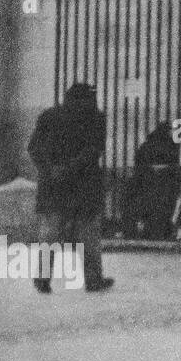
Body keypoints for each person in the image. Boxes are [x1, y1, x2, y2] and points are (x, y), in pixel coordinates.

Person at [28, 83, 113, 293]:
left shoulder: (48, 116)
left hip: (53, 186)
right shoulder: (96, 118)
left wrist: (50, 170)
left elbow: (34, 148)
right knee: (89, 234)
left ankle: (42, 278)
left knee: (50, 233)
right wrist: (69, 169)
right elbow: (94, 150)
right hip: (84, 185)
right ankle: (93, 279)